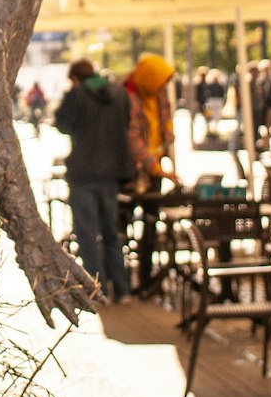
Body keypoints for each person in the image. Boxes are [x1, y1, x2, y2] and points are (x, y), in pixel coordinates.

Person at [55, 59, 135, 303]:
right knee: (112, 232)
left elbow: (62, 124)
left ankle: (97, 290)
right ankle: (123, 289)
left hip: (84, 172)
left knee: (87, 233)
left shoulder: (77, 95)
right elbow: (126, 125)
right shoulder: (120, 94)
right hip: (112, 172)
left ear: (76, 78)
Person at [124, 52, 180, 294]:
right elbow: (132, 139)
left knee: (151, 224)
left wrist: (168, 139)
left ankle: (147, 279)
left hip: (156, 167)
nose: (162, 88)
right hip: (134, 171)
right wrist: (154, 166)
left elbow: (166, 119)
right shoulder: (128, 97)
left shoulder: (158, 93)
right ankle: (126, 281)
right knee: (126, 224)